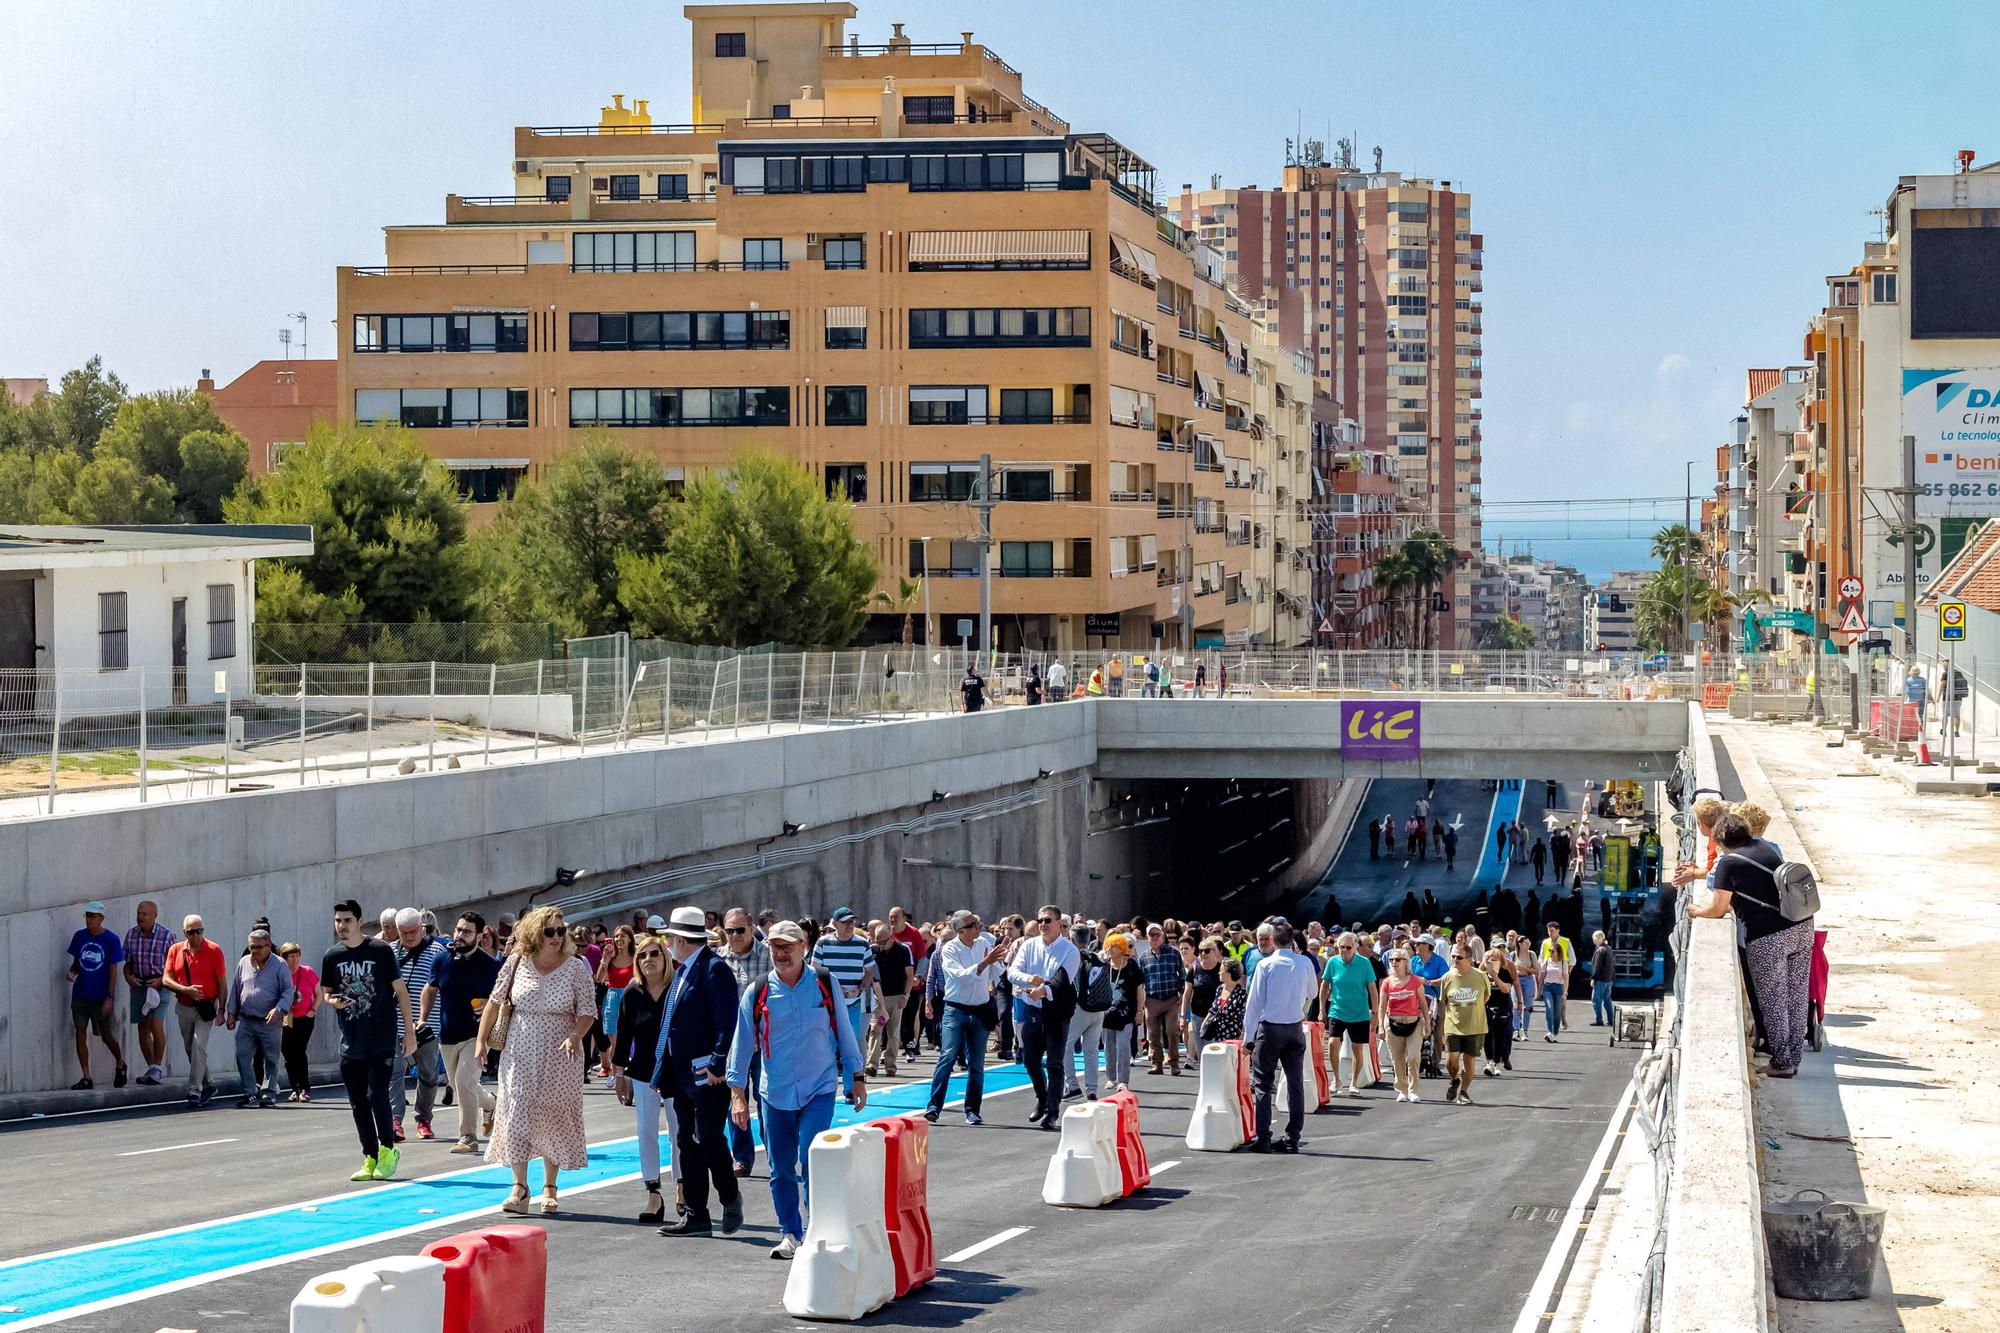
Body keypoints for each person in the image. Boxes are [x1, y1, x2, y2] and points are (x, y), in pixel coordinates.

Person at [729, 920, 867, 1260]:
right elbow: (742, 1042)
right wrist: (737, 1093)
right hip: (774, 1092)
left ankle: (818, 1228)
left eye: (788, 946)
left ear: (803, 946)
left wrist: (857, 1075)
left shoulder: (823, 982)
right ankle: (790, 1232)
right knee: (780, 1167)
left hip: (818, 1088)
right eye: (775, 946)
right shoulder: (758, 990)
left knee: (812, 1157)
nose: (781, 953)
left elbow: (845, 1033)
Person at [475, 905, 595, 1214]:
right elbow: (494, 1002)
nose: (557, 937)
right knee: (515, 1112)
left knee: (552, 1114)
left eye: (560, 931)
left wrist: (575, 1035)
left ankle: (550, 1186)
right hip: (519, 1050)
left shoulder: (575, 967)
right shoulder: (516, 962)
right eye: (549, 931)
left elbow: (588, 1011)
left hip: (561, 1054)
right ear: (534, 934)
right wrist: (481, 1043)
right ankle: (520, 1187)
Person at [1687, 812, 1816, 1078]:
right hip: (1801, 925)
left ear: (1720, 839)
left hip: (1769, 936)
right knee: (1796, 994)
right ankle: (1794, 1057)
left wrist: (1696, 911)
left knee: (1774, 999)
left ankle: (1782, 1063)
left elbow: (1718, 908)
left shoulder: (1728, 864)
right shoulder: (1764, 847)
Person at [654, 905, 746, 1237]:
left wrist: (719, 1064)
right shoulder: (683, 971)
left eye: (669, 937)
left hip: (707, 1073)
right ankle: (696, 1214)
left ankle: (729, 1195)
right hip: (682, 1074)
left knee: (707, 1137)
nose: (666, 943)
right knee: (686, 1142)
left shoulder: (713, 969)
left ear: (680, 939)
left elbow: (727, 1021)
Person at [322, 899, 418, 1182]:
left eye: (347, 920)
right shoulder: (332, 955)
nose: (341, 926)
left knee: (376, 1095)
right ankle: (370, 1155)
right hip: (351, 1040)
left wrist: (409, 1032)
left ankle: (389, 1149)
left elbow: (400, 991)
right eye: (338, 920)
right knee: (357, 1103)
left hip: (381, 1038)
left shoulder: (380, 951)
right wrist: (333, 1002)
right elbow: (326, 992)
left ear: (359, 921)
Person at [612, 932, 680, 1222]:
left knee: (680, 1133)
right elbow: (623, 1036)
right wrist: (619, 1074)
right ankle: (653, 1191)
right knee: (645, 1131)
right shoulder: (632, 993)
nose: (648, 959)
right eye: (642, 955)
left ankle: (682, 1187)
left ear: (665, 958)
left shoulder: (677, 989)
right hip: (642, 1072)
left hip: (677, 1071)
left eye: (654, 954)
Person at [926, 910, 1008, 1124]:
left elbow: (997, 972)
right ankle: (934, 1106)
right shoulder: (949, 949)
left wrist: (1002, 959)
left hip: (980, 1010)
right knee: (948, 1055)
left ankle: (972, 1110)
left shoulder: (983, 945)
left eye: (977, 923)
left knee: (977, 1064)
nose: (978, 927)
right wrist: (985, 963)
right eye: (972, 925)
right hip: (955, 1010)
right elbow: (960, 976)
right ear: (960, 930)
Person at [1241, 924, 1315, 1153]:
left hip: (1270, 1029)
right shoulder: (1304, 963)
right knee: (1295, 1083)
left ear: (1273, 940)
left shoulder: (1265, 964)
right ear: (1291, 940)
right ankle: (1292, 1137)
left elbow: (1254, 1004)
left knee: (1263, 1084)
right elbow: (1312, 993)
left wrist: (1248, 1037)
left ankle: (1263, 1137)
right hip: (1294, 1027)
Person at [1009, 903, 1081, 1130]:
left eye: (1048, 920)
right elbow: (1013, 971)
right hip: (1032, 1009)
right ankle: (1042, 1098)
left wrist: (1045, 990)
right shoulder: (1029, 946)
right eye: (1040, 920)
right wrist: (1029, 980)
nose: (1043, 925)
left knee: (1054, 1062)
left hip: (1057, 1012)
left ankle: (1052, 1111)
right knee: (1030, 1060)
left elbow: (1061, 980)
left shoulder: (1070, 951)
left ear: (1059, 923)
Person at [434, 913, 499, 1152]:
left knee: (463, 1082)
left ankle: (468, 1137)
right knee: (459, 1084)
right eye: (458, 930)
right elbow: (430, 990)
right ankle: (491, 1104)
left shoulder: (492, 966)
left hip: (478, 1034)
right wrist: (421, 1019)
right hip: (448, 1034)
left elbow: (505, 999)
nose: (460, 935)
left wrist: (489, 1002)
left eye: (466, 932)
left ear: (480, 936)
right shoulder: (441, 960)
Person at [717, 906, 771, 1176]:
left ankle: (775, 1152)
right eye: (729, 930)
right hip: (732, 1045)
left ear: (751, 928)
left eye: (740, 929)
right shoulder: (718, 959)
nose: (735, 935)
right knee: (735, 1103)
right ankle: (742, 1157)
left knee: (767, 1100)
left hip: (765, 1042)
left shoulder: (769, 956)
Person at [387, 908, 448, 1142]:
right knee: (395, 1072)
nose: (409, 936)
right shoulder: (391, 951)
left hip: (426, 1026)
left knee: (428, 1074)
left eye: (413, 931)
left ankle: (423, 1117)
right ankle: (395, 1119)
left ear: (421, 929)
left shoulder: (437, 951)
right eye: (403, 932)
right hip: (396, 1024)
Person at [223, 927, 294, 1108]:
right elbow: (236, 989)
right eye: (251, 947)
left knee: (271, 1059)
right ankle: (249, 1093)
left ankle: (269, 1094)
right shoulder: (244, 962)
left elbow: (288, 991)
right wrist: (231, 1014)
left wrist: (279, 1009)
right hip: (247, 1020)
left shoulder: (279, 964)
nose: (253, 951)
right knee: (242, 1056)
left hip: (270, 1021)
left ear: (268, 946)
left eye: (258, 947)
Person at [163, 913, 228, 1107]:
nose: (196, 936)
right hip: (184, 1005)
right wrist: (185, 990)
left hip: (206, 1007)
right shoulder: (175, 950)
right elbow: (166, 979)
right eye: (192, 932)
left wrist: (222, 1009)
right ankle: (209, 1084)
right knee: (191, 1049)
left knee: (199, 1046)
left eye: (199, 931)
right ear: (185, 933)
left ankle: (194, 1090)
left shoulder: (214, 950)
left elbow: (222, 982)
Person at [66, 902, 127, 1091]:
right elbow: (77, 962)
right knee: (80, 1031)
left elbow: (113, 972)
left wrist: (110, 997)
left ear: (101, 918)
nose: (89, 920)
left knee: (106, 1035)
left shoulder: (110, 939)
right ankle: (86, 1076)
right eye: (87, 916)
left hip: (100, 995)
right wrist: (72, 972)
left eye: (93, 916)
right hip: (81, 993)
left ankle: (120, 1062)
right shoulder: (79, 936)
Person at [1318, 931, 1379, 1096]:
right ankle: (1336, 1079)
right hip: (1337, 1010)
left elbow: (1373, 990)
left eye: (1348, 947)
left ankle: (1353, 1082)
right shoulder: (1332, 962)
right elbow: (1324, 986)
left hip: (1359, 1012)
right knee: (1332, 1042)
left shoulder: (1364, 963)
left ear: (1355, 947)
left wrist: (1375, 1012)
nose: (1344, 950)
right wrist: (1321, 1009)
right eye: (1341, 947)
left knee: (1357, 1048)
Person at [122, 900, 174, 1087]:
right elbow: (126, 963)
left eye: (144, 914)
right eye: (138, 913)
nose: (140, 917)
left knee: (156, 1023)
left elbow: (174, 967)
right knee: (142, 1026)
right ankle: (151, 1067)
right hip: (139, 985)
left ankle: (158, 1068)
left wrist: (161, 981)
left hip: (159, 984)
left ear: (154, 916)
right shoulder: (131, 935)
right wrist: (128, 977)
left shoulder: (166, 936)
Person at [1438, 943, 1491, 1105]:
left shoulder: (1480, 976)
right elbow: (1443, 1003)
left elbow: (1486, 997)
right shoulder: (1447, 977)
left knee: (1469, 1061)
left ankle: (1464, 1092)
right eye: (1453, 956)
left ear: (1469, 960)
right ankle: (1454, 1080)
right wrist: (1440, 1029)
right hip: (1453, 1026)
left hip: (1475, 1026)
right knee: (1450, 1060)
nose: (1455, 959)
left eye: (1459, 957)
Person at [811, 907, 876, 1039]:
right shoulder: (822, 943)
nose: (850, 925)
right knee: (829, 1043)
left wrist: (860, 989)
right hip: (830, 1003)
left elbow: (869, 972)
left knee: (851, 1042)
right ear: (834, 924)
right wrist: (835, 989)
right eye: (845, 922)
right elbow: (815, 971)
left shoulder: (863, 944)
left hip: (854, 1001)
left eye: (852, 922)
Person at [1375, 946, 1428, 1102]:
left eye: (1398, 959)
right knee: (1397, 1059)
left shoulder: (1415, 981)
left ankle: (1413, 1090)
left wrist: (1428, 1024)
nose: (1394, 962)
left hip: (1413, 1022)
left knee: (1413, 1057)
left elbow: (1423, 1003)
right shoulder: (1386, 983)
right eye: (1392, 960)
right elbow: (1382, 1006)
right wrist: (1380, 1026)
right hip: (1393, 1023)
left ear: (1406, 962)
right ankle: (1402, 1089)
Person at [1138, 922, 1186, 1075]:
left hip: (1171, 997)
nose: (1155, 937)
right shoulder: (1143, 957)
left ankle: (1174, 1062)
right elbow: (1141, 980)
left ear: (1163, 936)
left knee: (1172, 1031)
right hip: (1151, 999)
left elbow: (1182, 976)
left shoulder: (1173, 953)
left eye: (1157, 934)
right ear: (1147, 937)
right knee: (1153, 1034)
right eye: (1152, 935)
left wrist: (1180, 994)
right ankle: (1156, 1063)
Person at [866, 923, 913, 1078]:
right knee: (876, 1028)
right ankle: (872, 1064)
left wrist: (906, 996)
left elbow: (909, 976)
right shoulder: (873, 950)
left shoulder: (903, 950)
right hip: (879, 998)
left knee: (893, 1032)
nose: (881, 945)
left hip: (897, 997)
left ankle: (890, 1065)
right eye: (878, 941)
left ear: (891, 937)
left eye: (884, 942)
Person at [1100, 933, 1143, 1091]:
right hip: (1106, 1013)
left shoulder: (1132, 966)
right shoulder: (1104, 965)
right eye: (1109, 946)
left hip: (1127, 1013)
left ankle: (1123, 1080)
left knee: (1123, 1045)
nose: (1110, 949)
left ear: (1122, 948)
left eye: (1115, 946)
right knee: (1108, 1046)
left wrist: (1140, 1010)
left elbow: (1140, 990)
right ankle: (1111, 1078)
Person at [277, 943, 320, 1100]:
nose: (295, 959)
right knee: (288, 1053)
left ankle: (304, 1088)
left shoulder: (307, 972)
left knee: (299, 1051)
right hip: (287, 1017)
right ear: (284, 958)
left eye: (297, 956)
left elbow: (318, 994)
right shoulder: (281, 974)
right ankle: (294, 1087)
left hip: (304, 1018)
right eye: (291, 956)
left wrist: (313, 1010)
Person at [594, 924, 637, 1080]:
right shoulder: (610, 956)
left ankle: (631, 1072)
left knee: (632, 1040)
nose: (619, 939)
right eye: (617, 936)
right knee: (616, 1040)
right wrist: (605, 960)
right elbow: (599, 979)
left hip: (632, 998)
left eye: (622, 936)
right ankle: (615, 1072)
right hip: (613, 999)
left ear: (630, 939)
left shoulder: (636, 956)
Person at [888, 906, 928, 1061]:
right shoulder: (887, 934)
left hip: (910, 985)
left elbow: (922, 958)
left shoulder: (914, 934)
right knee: (888, 1020)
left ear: (904, 918)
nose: (892, 920)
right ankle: (887, 1049)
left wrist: (919, 977)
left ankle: (909, 1048)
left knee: (909, 1018)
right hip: (890, 986)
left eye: (896, 916)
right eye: (890, 916)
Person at [1482, 946, 1519, 1076]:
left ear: (1501, 961)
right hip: (1486, 1007)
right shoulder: (1481, 974)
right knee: (1488, 1035)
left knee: (1500, 1036)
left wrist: (1495, 977)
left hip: (1503, 1007)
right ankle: (1490, 1062)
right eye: (1490, 960)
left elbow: (1506, 989)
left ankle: (1497, 1062)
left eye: (1495, 960)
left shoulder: (1505, 973)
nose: (1492, 962)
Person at [1538, 921, 1574, 1041]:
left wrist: (1566, 974)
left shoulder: (1565, 941)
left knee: (1559, 1008)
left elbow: (1572, 959)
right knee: (1549, 1008)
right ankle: (1550, 1032)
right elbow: (1541, 958)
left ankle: (1560, 1024)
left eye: (1552, 930)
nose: (1550, 933)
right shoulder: (1545, 943)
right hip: (1549, 981)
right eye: (1548, 930)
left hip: (1561, 980)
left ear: (1558, 930)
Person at [1200, 958, 1248, 1043]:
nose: (1219, 972)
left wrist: (1243, 1034)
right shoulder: (1220, 988)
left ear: (1229, 974)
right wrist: (1205, 1022)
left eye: (1221, 970)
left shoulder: (1242, 993)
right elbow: (1214, 1009)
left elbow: (1245, 1016)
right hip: (1217, 1033)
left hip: (1233, 1035)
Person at [1589, 929, 1616, 1026]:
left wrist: (1593, 978)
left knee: (1596, 1000)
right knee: (1607, 1000)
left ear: (1597, 939)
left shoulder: (1600, 950)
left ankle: (1599, 1020)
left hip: (1600, 979)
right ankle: (1611, 1020)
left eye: (1594, 938)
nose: (1593, 940)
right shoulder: (1608, 948)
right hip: (1609, 978)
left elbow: (1597, 966)